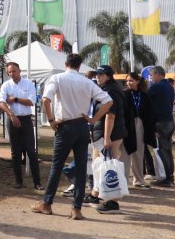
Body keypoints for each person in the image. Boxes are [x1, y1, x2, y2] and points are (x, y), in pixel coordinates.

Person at [31, 54, 113, 220]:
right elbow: (108, 101)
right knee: (82, 167)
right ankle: (76, 208)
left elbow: (46, 100)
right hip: (82, 126)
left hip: (65, 125)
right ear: (79, 65)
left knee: (57, 165)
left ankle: (47, 203)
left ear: (66, 63)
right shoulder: (87, 82)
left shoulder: (57, 78)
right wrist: (93, 119)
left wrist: (51, 120)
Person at [81, 65, 127, 214]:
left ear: (108, 76)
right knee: (98, 166)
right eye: (97, 75)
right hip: (102, 133)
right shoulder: (108, 89)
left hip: (109, 135)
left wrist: (106, 137)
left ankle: (113, 202)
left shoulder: (111, 91)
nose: (97, 77)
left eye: (101, 75)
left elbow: (110, 115)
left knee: (109, 168)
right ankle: (95, 195)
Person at [0, 61, 43, 190]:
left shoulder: (28, 84)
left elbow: (31, 101)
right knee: (15, 152)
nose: (12, 74)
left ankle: (37, 182)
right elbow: (1, 102)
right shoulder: (6, 85)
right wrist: (10, 113)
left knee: (31, 151)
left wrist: (15, 99)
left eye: (14, 71)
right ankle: (19, 181)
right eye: (9, 72)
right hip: (12, 119)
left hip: (26, 119)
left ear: (19, 71)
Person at [121, 72, 154, 188]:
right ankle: (123, 181)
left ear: (137, 81)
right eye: (127, 81)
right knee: (125, 154)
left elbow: (150, 113)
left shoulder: (144, 96)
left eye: (131, 80)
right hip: (127, 125)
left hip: (140, 125)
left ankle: (139, 180)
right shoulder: (123, 94)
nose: (129, 83)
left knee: (139, 153)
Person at [147, 66, 175, 187]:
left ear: (158, 74)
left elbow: (145, 99)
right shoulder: (169, 86)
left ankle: (166, 178)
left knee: (161, 150)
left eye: (152, 75)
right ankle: (170, 176)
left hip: (160, 122)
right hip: (169, 121)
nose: (151, 78)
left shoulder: (156, 86)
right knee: (168, 150)